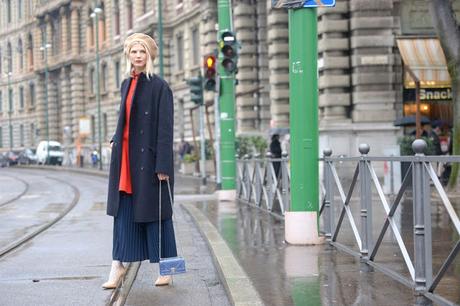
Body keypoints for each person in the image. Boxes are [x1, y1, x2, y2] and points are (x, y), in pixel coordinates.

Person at [103, 33, 177, 289]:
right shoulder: (126, 84)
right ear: (128, 55)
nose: (138, 56)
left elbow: (165, 129)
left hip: (150, 163)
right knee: (123, 213)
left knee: (157, 215)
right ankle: (118, 266)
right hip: (125, 160)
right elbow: (126, 120)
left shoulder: (159, 86)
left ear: (149, 56)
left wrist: (163, 165)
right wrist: (115, 137)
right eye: (134, 51)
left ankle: (166, 269)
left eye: (142, 52)